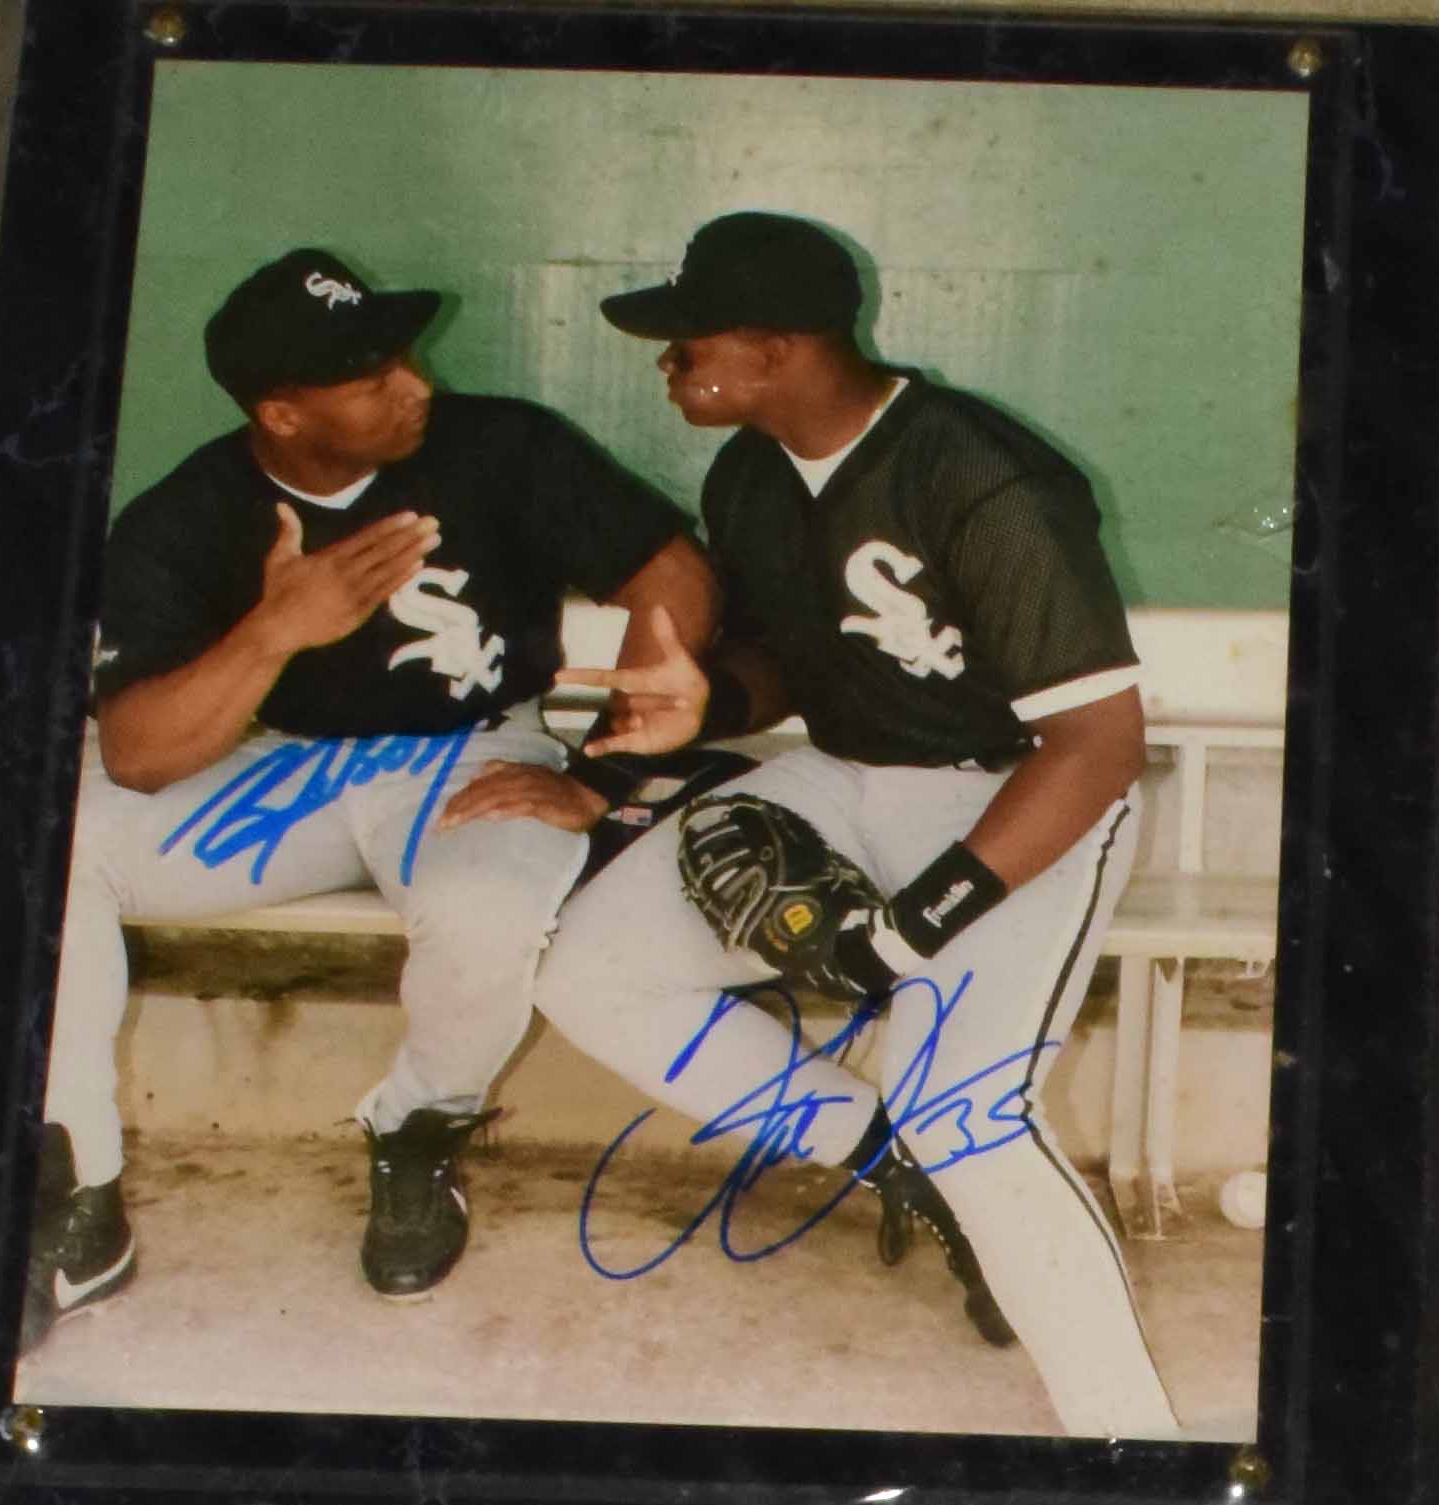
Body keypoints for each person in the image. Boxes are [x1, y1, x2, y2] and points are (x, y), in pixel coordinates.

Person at [460, 211, 1181, 1438]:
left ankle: (1136, 1449)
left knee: (972, 1119)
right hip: (846, 774)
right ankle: (888, 1151)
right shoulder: (749, 474)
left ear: (779, 347)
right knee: (593, 971)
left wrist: (908, 935)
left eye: (690, 343)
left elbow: (1097, 743)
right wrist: (711, 700)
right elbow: (795, 667)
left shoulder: (979, 474)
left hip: (1024, 801)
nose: (669, 364)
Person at [40, 247, 721, 1317]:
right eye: (372, 378)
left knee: (486, 908)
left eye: (405, 357)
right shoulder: (190, 513)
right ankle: (79, 1186)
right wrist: (276, 630)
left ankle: (415, 1133)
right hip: (283, 763)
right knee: (48, 852)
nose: (417, 385)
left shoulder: (500, 445)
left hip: (469, 751)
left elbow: (671, 574)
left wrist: (608, 767)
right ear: (282, 413)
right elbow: (137, 753)